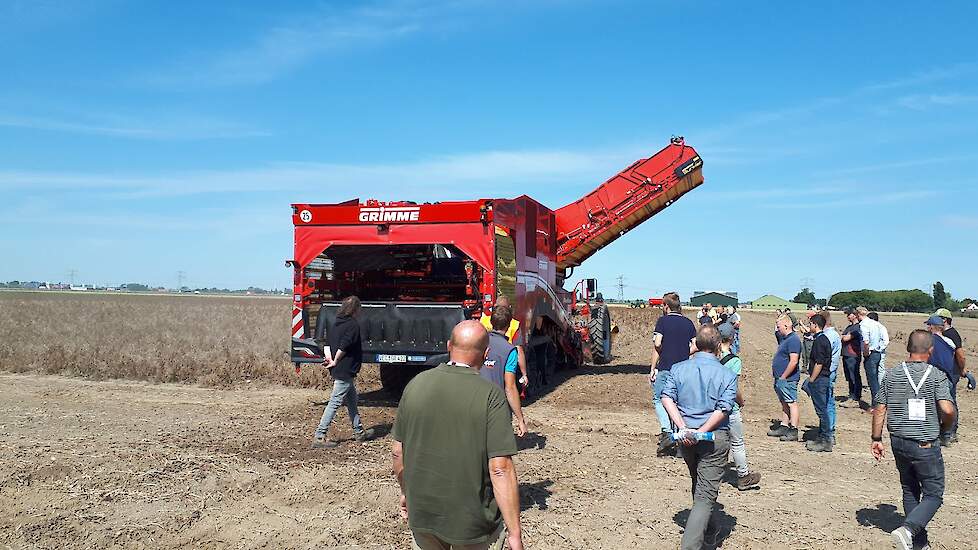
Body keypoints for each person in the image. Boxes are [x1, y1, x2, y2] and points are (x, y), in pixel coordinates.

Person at [392, 320, 524, 550]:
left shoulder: (415, 385)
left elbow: (398, 453)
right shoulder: (491, 396)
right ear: (486, 353)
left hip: (422, 516)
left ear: (448, 346)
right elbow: (500, 467)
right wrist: (515, 533)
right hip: (472, 524)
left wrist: (406, 493)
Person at [871, 329, 955, 550]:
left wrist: (876, 438)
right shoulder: (936, 375)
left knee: (909, 490)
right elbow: (946, 409)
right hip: (924, 443)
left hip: (898, 441)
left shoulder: (891, 374)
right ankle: (908, 530)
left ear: (908, 348)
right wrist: (946, 426)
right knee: (934, 493)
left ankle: (918, 543)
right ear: (931, 350)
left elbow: (880, 408)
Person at [661, 324, 739, 550]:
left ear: (696, 344)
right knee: (704, 495)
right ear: (717, 346)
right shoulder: (727, 374)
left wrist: (683, 427)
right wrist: (701, 431)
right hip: (714, 439)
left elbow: (667, 398)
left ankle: (711, 529)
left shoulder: (678, 369)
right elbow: (724, 409)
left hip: (685, 439)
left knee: (699, 482)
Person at [311, 296, 375, 449]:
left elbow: (326, 343)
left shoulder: (336, 323)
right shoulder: (353, 325)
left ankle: (359, 432)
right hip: (345, 369)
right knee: (334, 403)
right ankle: (319, 436)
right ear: (355, 310)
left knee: (352, 401)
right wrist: (336, 360)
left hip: (340, 369)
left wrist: (329, 359)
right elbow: (344, 345)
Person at [650, 292, 697, 457]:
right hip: (683, 369)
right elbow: (696, 345)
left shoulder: (663, 321)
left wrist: (653, 367)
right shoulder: (688, 323)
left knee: (659, 399)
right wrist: (684, 353)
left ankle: (667, 431)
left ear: (666, 306)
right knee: (678, 403)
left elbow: (657, 343)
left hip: (666, 367)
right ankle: (680, 443)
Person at [717, 323, 762, 490]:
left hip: (713, 407)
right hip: (730, 408)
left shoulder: (711, 357)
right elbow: (733, 388)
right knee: (737, 442)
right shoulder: (734, 361)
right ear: (732, 338)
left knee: (718, 441)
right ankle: (743, 476)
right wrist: (741, 402)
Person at [481, 305, 527, 437]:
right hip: (497, 408)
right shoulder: (510, 351)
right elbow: (510, 387)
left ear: (490, 322)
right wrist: (520, 419)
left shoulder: (478, 343)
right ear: (509, 325)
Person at [480, 295, 529, 391]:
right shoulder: (514, 324)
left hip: (485, 363)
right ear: (509, 308)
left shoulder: (484, 320)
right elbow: (519, 350)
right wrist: (524, 374)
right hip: (506, 361)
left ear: (495, 306)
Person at [802, 314, 834, 452]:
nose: (809, 326)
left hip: (820, 379)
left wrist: (812, 379)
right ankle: (822, 436)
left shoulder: (821, 341)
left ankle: (826, 440)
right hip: (822, 378)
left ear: (815, 325)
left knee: (822, 411)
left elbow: (819, 362)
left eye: (810, 324)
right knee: (822, 410)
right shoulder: (821, 339)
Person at [925, 316, 959, 446]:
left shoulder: (930, 341)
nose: (927, 328)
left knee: (933, 407)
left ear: (932, 326)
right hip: (948, 376)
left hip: (935, 376)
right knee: (947, 406)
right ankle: (947, 434)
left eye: (928, 325)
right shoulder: (949, 342)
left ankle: (935, 436)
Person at [768, 316, 801, 441]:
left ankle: (793, 430)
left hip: (787, 379)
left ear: (786, 326)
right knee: (784, 403)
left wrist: (784, 376)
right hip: (781, 378)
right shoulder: (786, 339)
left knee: (791, 402)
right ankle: (784, 425)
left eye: (779, 326)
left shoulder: (793, 340)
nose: (777, 328)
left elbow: (793, 361)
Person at [856, 306, 886, 406]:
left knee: (872, 381)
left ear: (859, 315)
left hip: (871, 354)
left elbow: (866, 341)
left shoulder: (863, 325)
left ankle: (876, 405)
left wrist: (865, 352)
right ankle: (879, 402)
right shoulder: (875, 323)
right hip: (877, 352)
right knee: (876, 380)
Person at [820, 310, 842, 443]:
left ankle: (828, 432)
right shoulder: (832, 334)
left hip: (827, 373)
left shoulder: (829, 336)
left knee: (827, 403)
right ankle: (828, 430)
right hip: (830, 372)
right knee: (829, 402)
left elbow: (823, 358)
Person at [841, 309, 864, 402]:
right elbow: (842, 336)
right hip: (846, 354)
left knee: (854, 375)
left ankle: (856, 396)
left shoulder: (857, 327)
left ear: (854, 315)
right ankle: (851, 394)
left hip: (853, 355)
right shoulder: (849, 327)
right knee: (849, 376)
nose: (847, 317)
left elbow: (845, 338)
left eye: (849, 314)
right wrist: (844, 337)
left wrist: (844, 337)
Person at [869, 311, 891, 381]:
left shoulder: (881, 327)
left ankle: (880, 384)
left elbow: (886, 341)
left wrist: (878, 349)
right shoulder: (872, 327)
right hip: (872, 351)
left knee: (880, 368)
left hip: (879, 352)